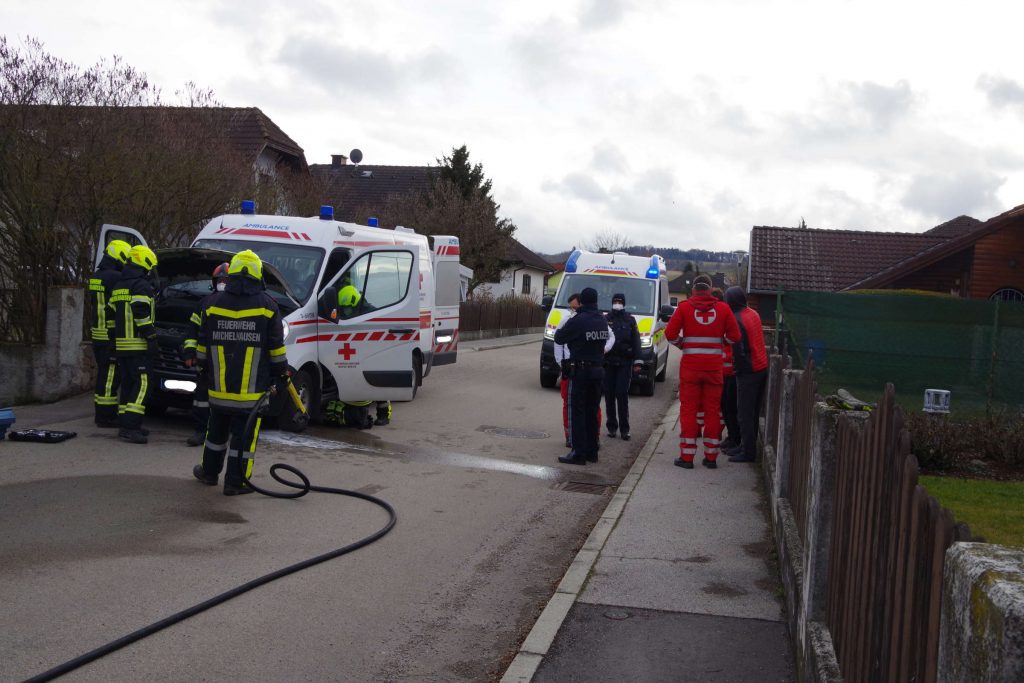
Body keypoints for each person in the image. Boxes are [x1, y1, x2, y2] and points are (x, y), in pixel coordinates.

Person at [193, 250, 288, 496]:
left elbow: (202, 343)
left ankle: (209, 473)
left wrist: (201, 369)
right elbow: (276, 349)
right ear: (258, 275)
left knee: (215, 433)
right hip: (251, 391)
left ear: (231, 274)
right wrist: (281, 375)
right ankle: (235, 482)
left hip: (218, 388)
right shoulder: (268, 307)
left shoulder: (212, 304)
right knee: (243, 439)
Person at [664, 274, 740, 469]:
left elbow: (670, 334)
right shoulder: (723, 309)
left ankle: (687, 457)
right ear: (710, 289)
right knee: (713, 411)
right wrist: (721, 344)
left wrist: (683, 345)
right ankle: (711, 457)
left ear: (693, 291)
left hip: (690, 368)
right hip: (714, 369)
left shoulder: (684, 308)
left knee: (689, 410)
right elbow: (735, 336)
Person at [553, 287, 610, 465]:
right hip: (598, 371)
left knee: (578, 412)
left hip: (582, 371)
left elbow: (559, 337)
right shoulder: (602, 320)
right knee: (592, 411)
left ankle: (578, 453)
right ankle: (592, 452)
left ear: (582, 302)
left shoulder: (579, 320)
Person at [110, 244, 159, 444]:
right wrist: (151, 336)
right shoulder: (141, 286)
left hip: (122, 345)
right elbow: (141, 313)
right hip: (137, 344)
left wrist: (113, 341)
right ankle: (131, 426)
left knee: (129, 384)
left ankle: (126, 423)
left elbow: (110, 317)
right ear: (144, 263)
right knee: (143, 384)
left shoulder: (118, 286)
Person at [181, 262, 229, 447]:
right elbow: (192, 331)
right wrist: (189, 353)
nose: (223, 283)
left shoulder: (238, 305)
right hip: (206, 361)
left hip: (228, 361)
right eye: (220, 280)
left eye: (227, 280)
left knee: (225, 400)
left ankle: (220, 433)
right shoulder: (204, 303)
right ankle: (201, 431)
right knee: (201, 399)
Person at [89, 239, 131, 428]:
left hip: (97, 335)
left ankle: (102, 413)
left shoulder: (96, 276)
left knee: (103, 375)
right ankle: (105, 416)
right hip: (109, 335)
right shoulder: (115, 278)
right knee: (110, 378)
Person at [724, 286, 768, 464]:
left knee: (744, 413)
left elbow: (739, 351)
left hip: (748, 371)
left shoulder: (736, 320)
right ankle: (745, 446)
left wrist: (738, 371)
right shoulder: (753, 313)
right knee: (754, 411)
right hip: (761, 367)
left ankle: (748, 452)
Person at [603, 292, 641, 440]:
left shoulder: (630, 320)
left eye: (619, 301)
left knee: (622, 394)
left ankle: (625, 429)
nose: (617, 303)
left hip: (625, 363)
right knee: (609, 395)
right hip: (609, 363)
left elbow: (636, 341)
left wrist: (638, 361)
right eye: (615, 301)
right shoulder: (606, 319)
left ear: (624, 303)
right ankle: (612, 427)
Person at [711, 287, 741, 450]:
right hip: (722, 372)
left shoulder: (726, 317)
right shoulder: (724, 315)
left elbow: (731, 344)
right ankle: (728, 436)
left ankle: (733, 437)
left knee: (729, 407)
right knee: (724, 406)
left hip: (729, 373)